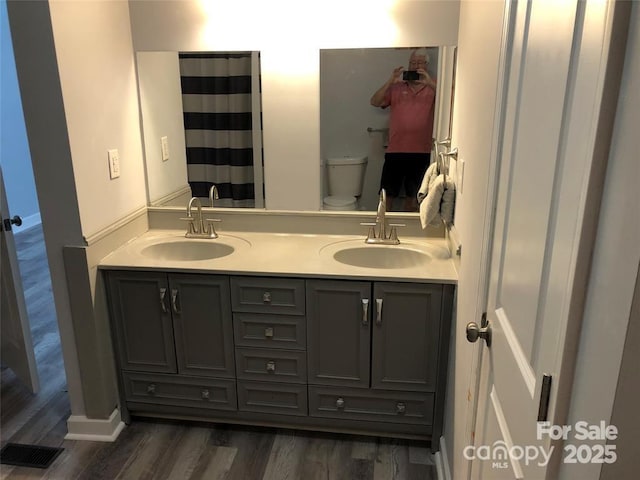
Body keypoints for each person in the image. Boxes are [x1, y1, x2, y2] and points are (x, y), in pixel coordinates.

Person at [370, 48, 437, 211]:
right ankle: (382, 230)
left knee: (414, 198)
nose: (415, 66)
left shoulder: (433, 87)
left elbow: (452, 99)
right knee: (386, 197)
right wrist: (390, 81)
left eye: (420, 62)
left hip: (422, 151)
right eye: (412, 63)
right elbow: (375, 101)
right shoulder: (397, 87)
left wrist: (430, 83)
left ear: (427, 65)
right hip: (396, 151)